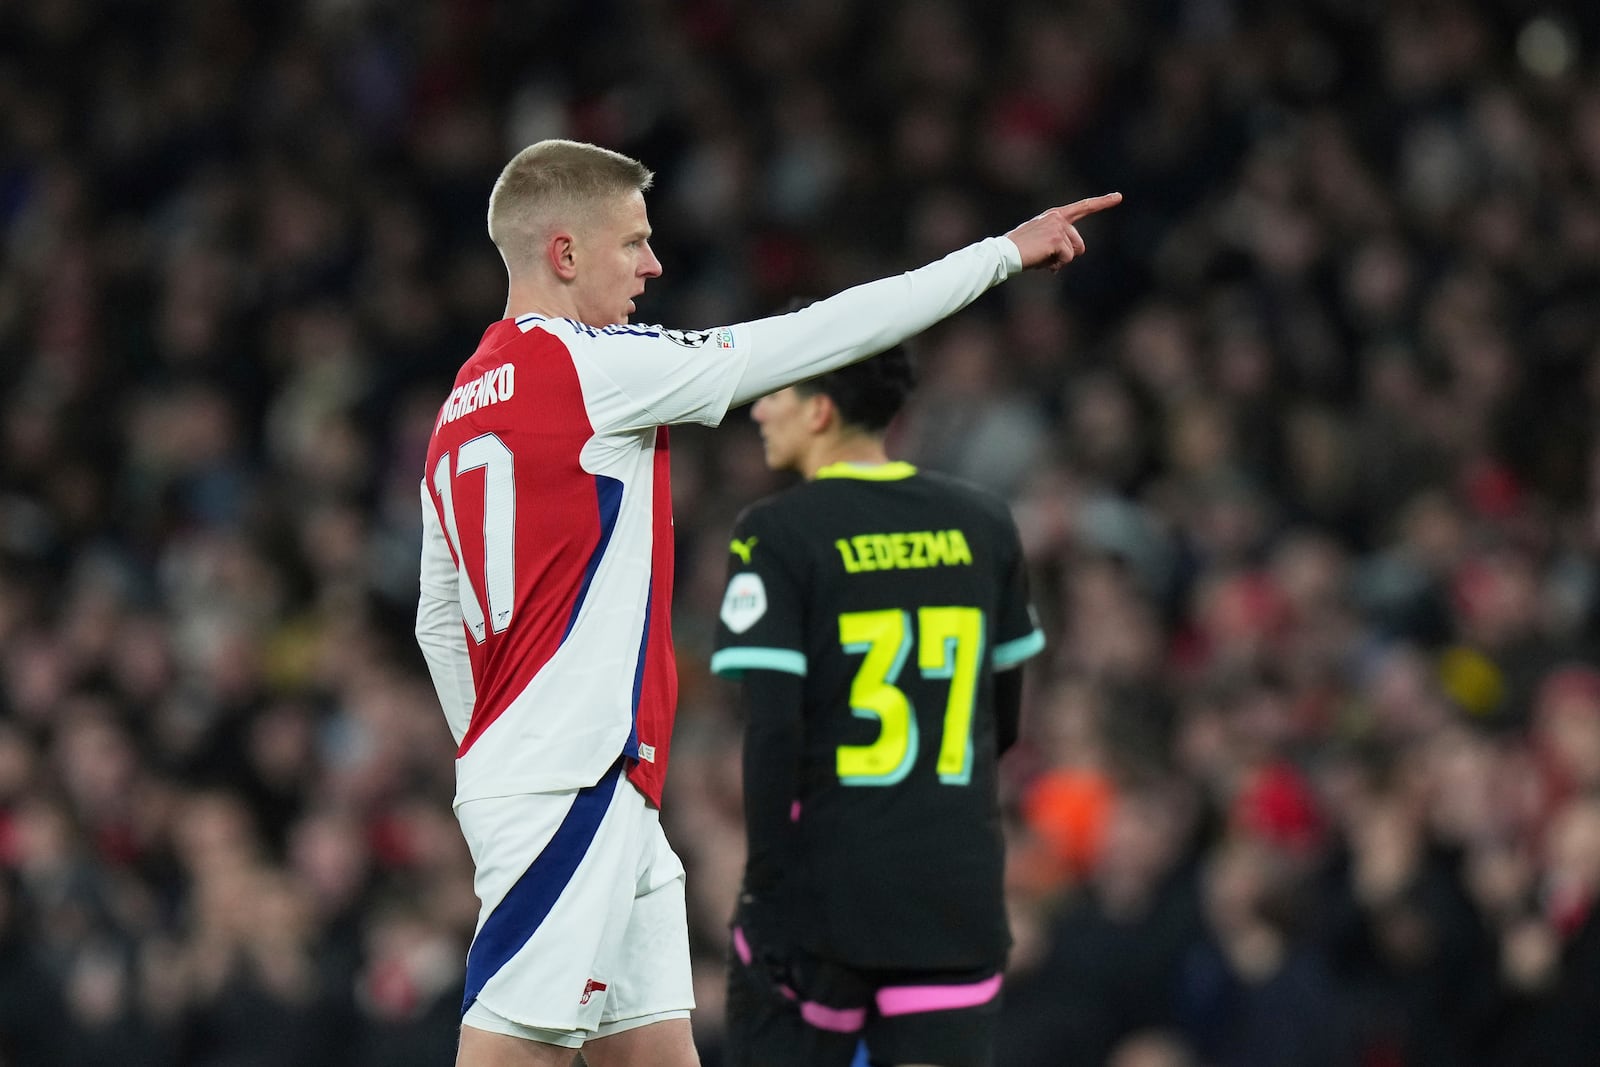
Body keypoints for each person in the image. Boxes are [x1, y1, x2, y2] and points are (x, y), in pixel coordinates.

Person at [413, 137, 1118, 1067]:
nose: (655, 265)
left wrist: (492, 757)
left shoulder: (459, 405)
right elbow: (808, 337)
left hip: (581, 778)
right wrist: (999, 255)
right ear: (565, 253)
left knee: (656, 1051)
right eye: (634, 243)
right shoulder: (591, 366)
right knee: (516, 1050)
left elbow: (438, 618)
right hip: (569, 777)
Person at [708, 345, 1047, 1067]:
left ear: (822, 410)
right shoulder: (984, 522)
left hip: (824, 891)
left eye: (776, 392)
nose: (759, 408)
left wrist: (766, 887)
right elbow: (1004, 722)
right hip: (954, 888)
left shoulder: (778, 532)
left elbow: (772, 734)